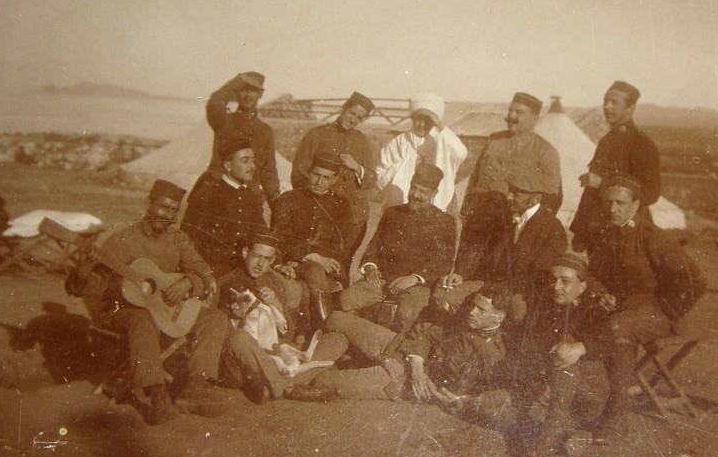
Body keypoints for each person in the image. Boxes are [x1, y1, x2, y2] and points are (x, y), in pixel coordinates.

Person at [66, 180, 231, 425]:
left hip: (163, 311)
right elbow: (80, 290)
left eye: (174, 210)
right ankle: (158, 396)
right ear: (149, 203)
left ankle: (197, 387)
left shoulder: (178, 239)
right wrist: (84, 269)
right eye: (163, 207)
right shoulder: (122, 241)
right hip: (123, 311)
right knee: (142, 320)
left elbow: (202, 271)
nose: (168, 215)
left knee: (215, 318)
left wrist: (188, 282)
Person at [585, 175, 705, 444]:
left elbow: (695, 281)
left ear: (636, 204)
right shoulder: (607, 234)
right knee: (613, 330)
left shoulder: (655, 238)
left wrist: (665, 309)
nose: (612, 209)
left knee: (618, 328)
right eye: (608, 202)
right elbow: (592, 274)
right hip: (624, 312)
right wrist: (600, 293)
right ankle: (612, 414)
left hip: (661, 315)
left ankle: (615, 419)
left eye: (620, 203)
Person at [314, 284, 515, 431]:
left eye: (481, 310)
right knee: (336, 319)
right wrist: (417, 364)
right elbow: (425, 331)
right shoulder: (469, 319)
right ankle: (322, 356)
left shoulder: (493, 354)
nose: (472, 311)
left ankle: (306, 365)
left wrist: (454, 397)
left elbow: (455, 391)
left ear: (498, 317)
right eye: (474, 305)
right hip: (402, 351)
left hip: (401, 380)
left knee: (321, 381)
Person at [219, 229, 347, 403]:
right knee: (240, 339)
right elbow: (226, 335)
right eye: (256, 256)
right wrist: (239, 312)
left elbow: (287, 332)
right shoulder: (228, 281)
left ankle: (274, 385)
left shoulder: (272, 282)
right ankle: (290, 387)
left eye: (266, 259)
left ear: (272, 260)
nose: (260, 264)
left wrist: (276, 305)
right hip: (251, 358)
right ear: (245, 252)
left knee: (337, 339)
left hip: (279, 352)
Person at [511, 252, 616, 457]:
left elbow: (608, 342)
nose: (556, 286)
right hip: (554, 394)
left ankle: (549, 440)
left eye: (565, 282)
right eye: (553, 280)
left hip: (587, 397)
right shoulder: (547, 307)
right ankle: (570, 434)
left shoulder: (593, 311)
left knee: (565, 360)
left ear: (582, 287)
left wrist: (580, 347)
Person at [338, 164, 456, 331]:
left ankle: (396, 352)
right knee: (347, 299)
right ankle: (361, 341)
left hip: (417, 286)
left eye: (422, 191)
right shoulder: (392, 213)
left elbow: (443, 262)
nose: (415, 195)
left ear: (434, 193)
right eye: (413, 188)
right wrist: (371, 269)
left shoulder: (444, 222)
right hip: (382, 279)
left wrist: (415, 278)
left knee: (407, 313)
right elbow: (373, 247)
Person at [457, 92, 561, 279]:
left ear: (535, 118)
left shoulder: (546, 152)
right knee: (466, 272)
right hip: (480, 221)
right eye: (510, 110)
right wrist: (466, 210)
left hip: (512, 227)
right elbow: (475, 179)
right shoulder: (494, 140)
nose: (511, 116)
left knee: (498, 274)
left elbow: (553, 196)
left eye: (519, 112)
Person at [442, 170, 567, 321]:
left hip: (520, 292)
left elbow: (540, 274)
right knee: (445, 297)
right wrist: (462, 274)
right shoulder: (508, 217)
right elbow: (486, 255)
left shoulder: (552, 229)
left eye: (516, 194)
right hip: (490, 284)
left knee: (516, 313)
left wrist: (505, 290)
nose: (508, 197)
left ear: (534, 200)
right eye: (509, 191)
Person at [570, 80, 661, 252]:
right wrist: (580, 232)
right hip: (597, 232)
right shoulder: (607, 140)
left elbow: (651, 192)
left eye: (614, 103)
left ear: (630, 108)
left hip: (625, 236)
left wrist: (603, 184)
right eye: (605, 101)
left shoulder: (641, 144)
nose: (607, 107)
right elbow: (589, 196)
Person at [290, 92, 379, 268]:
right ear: (344, 108)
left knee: (343, 263)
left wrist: (357, 167)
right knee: (315, 263)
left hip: (352, 216)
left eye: (359, 118)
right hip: (320, 212)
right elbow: (298, 175)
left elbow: (371, 179)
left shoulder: (361, 141)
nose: (353, 120)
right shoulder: (317, 135)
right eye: (352, 113)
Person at [271, 149, 357, 293]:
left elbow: (343, 244)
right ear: (309, 173)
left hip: (329, 264)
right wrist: (310, 256)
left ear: (334, 180)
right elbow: (280, 237)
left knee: (327, 282)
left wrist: (321, 259)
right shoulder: (288, 199)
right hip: (291, 260)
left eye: (326, 178)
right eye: (316, 175)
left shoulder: (341, 204)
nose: (319, 182)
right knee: (313, 273)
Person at [180, 136, 266, 279]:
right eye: (245, 161)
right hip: (211, 271)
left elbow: (261, 234)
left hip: (243, 270)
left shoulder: (251, 197)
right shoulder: (207, 194)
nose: (252, 166)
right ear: (228, 166)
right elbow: (187, 239)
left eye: (253, 160)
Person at [375, 92, 467, 212]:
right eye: (419, 119)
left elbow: (460, 153)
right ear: (412, 118)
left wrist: (440, 125)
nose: (422, 124)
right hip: (400, 208)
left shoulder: (440, 142)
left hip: (434, 209)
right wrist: (405, 165)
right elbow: (379, 177)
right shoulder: (399, 142)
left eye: (428, 120)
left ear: (434, 122)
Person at [200, 70, 280, 203]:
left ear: (260, 94)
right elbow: (214, 103)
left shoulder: (265, 131)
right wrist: (236, 81)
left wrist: (276, 204)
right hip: (219, 195)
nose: (248, 95)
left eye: (253, 91)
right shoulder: (223, 121)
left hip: (249, 198)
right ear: (236, 92)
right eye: (243, 90)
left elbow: (269, 171)